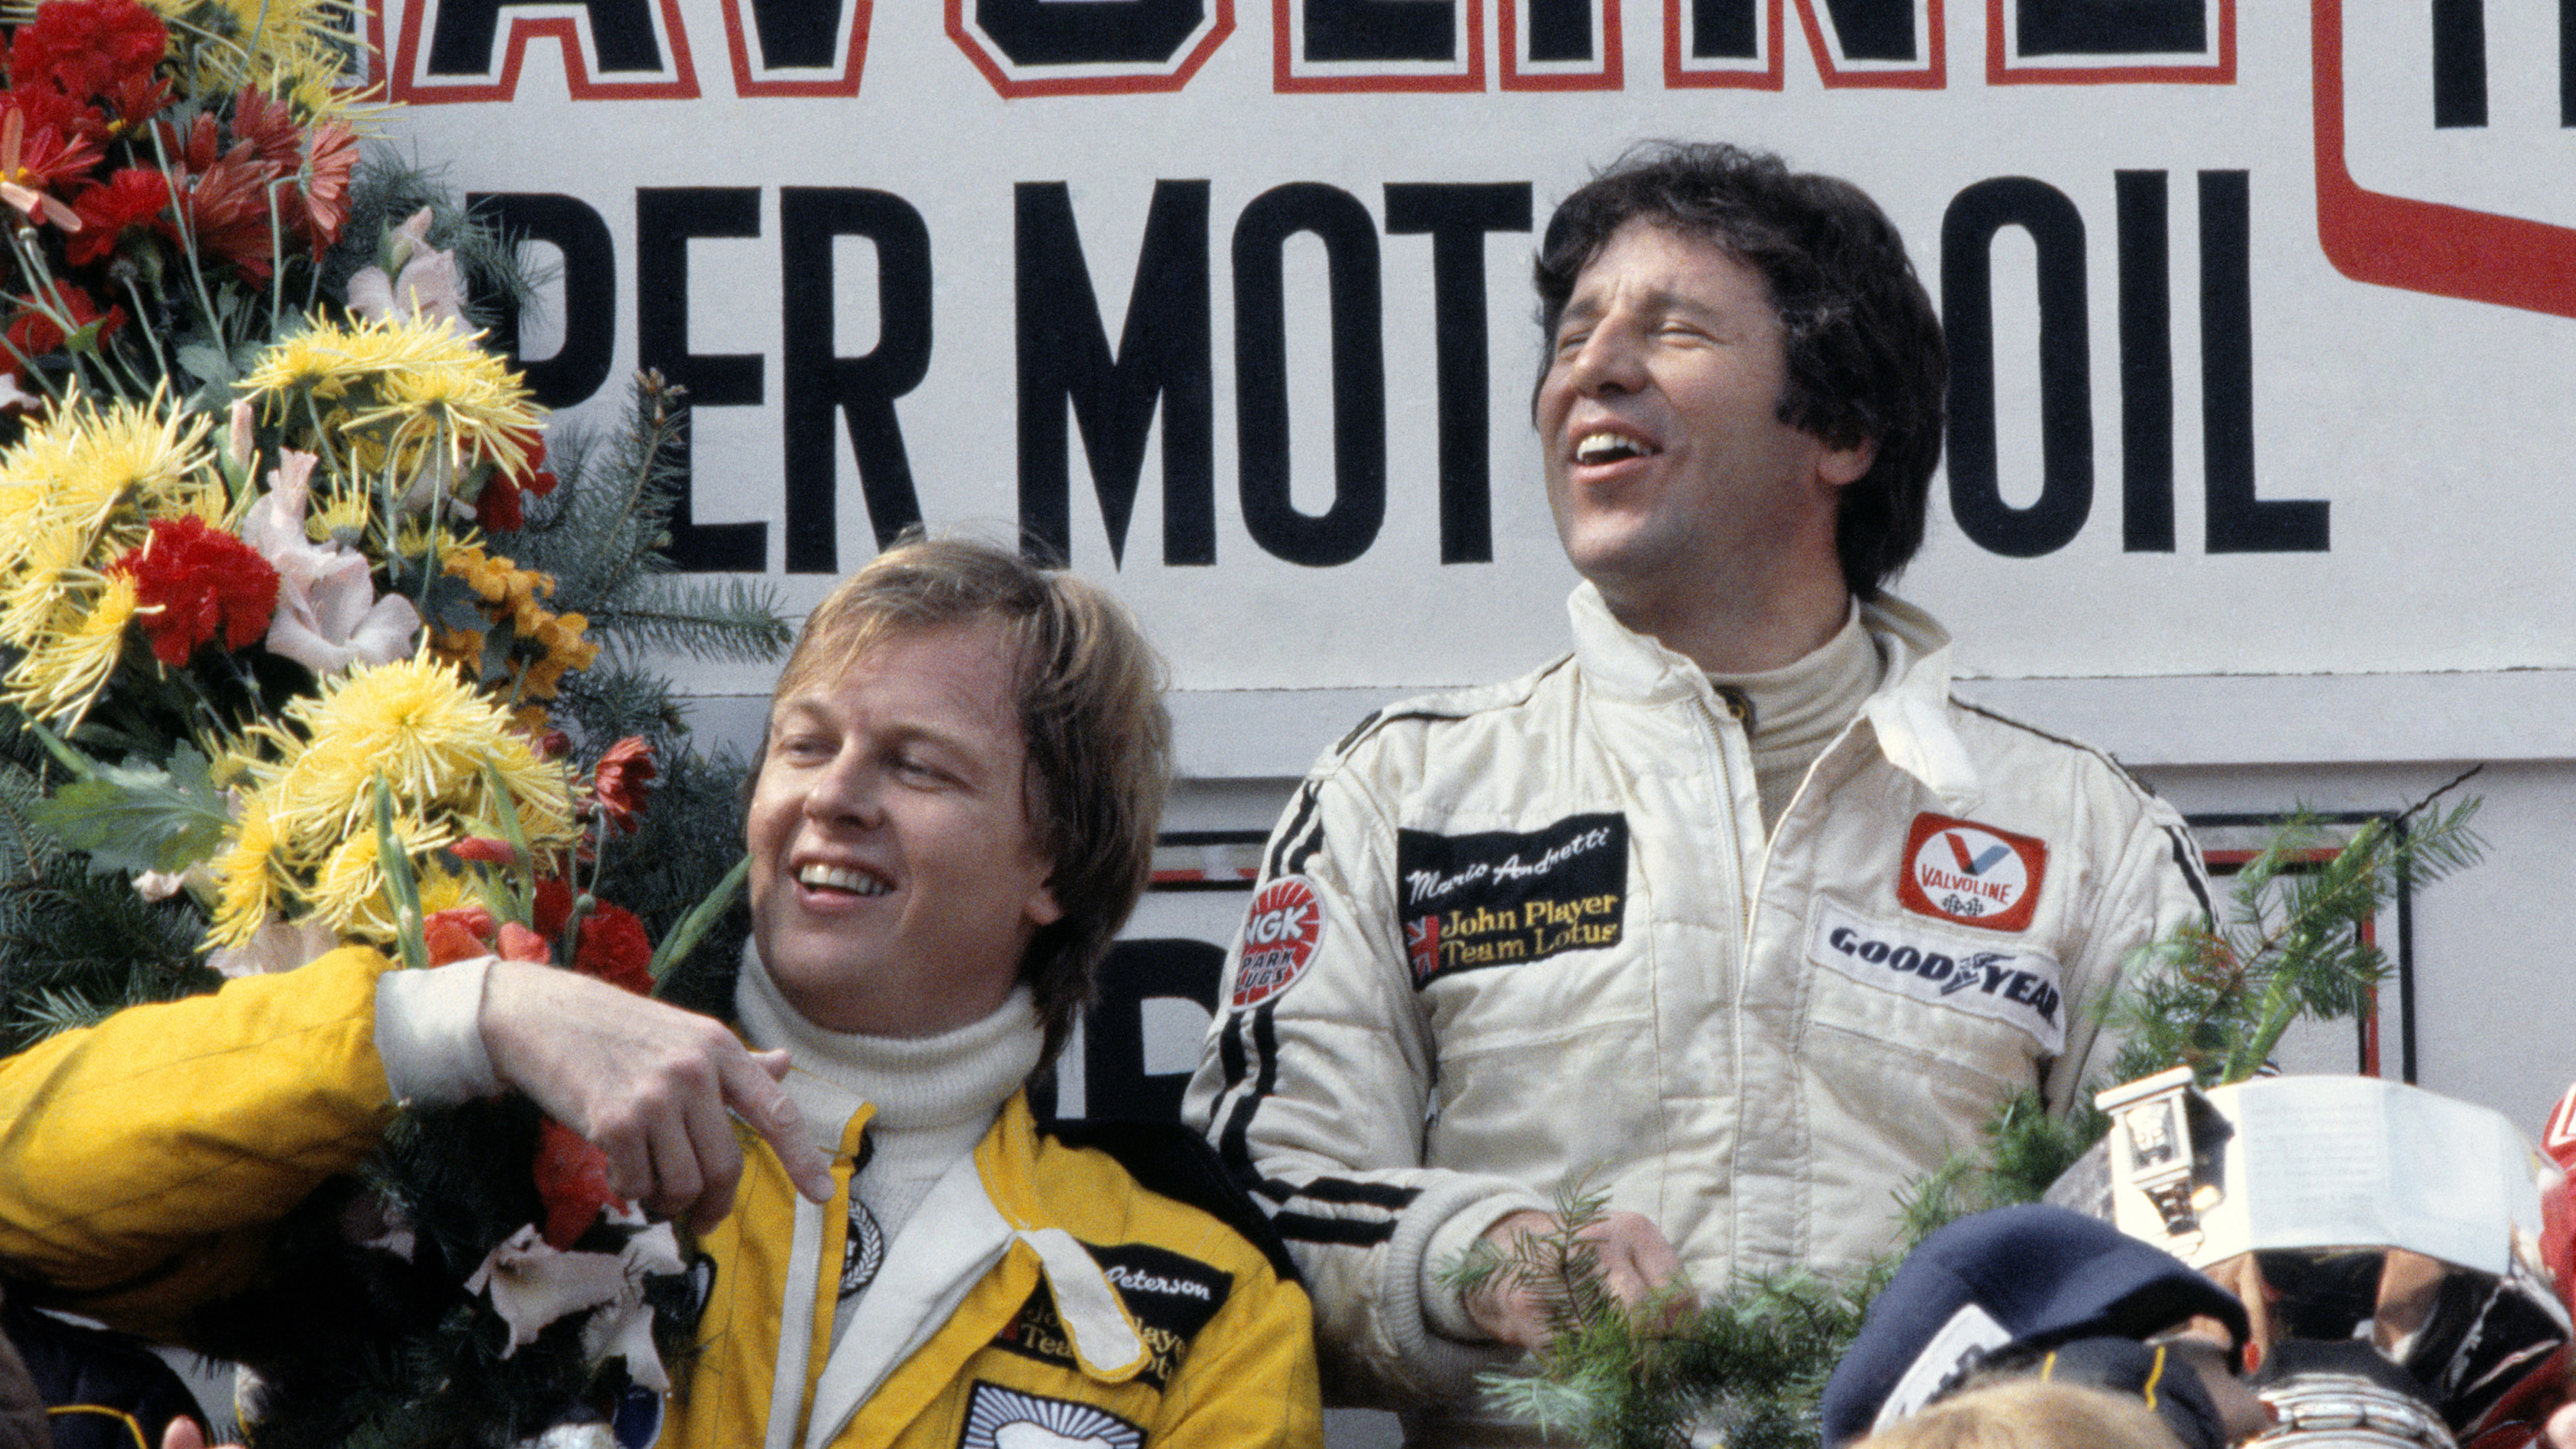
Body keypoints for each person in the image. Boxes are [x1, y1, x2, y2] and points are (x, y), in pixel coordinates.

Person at [1184, 142, 2212, 1438]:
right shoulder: (1401, 793)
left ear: (1840, 431)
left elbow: (2201, 1265)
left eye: (1670, 331)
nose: (1590, 371)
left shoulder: (2084, 834)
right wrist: (1477, 1258)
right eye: (1571, 337)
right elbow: (1251, 1202)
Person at [0, 534, 1323, 1449]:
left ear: (1055, 861)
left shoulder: (1196, 1302)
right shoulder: (493, 1136)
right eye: (804, 742)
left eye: (918, 767)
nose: (833, 796)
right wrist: (468, 1020)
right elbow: (24, 1191)